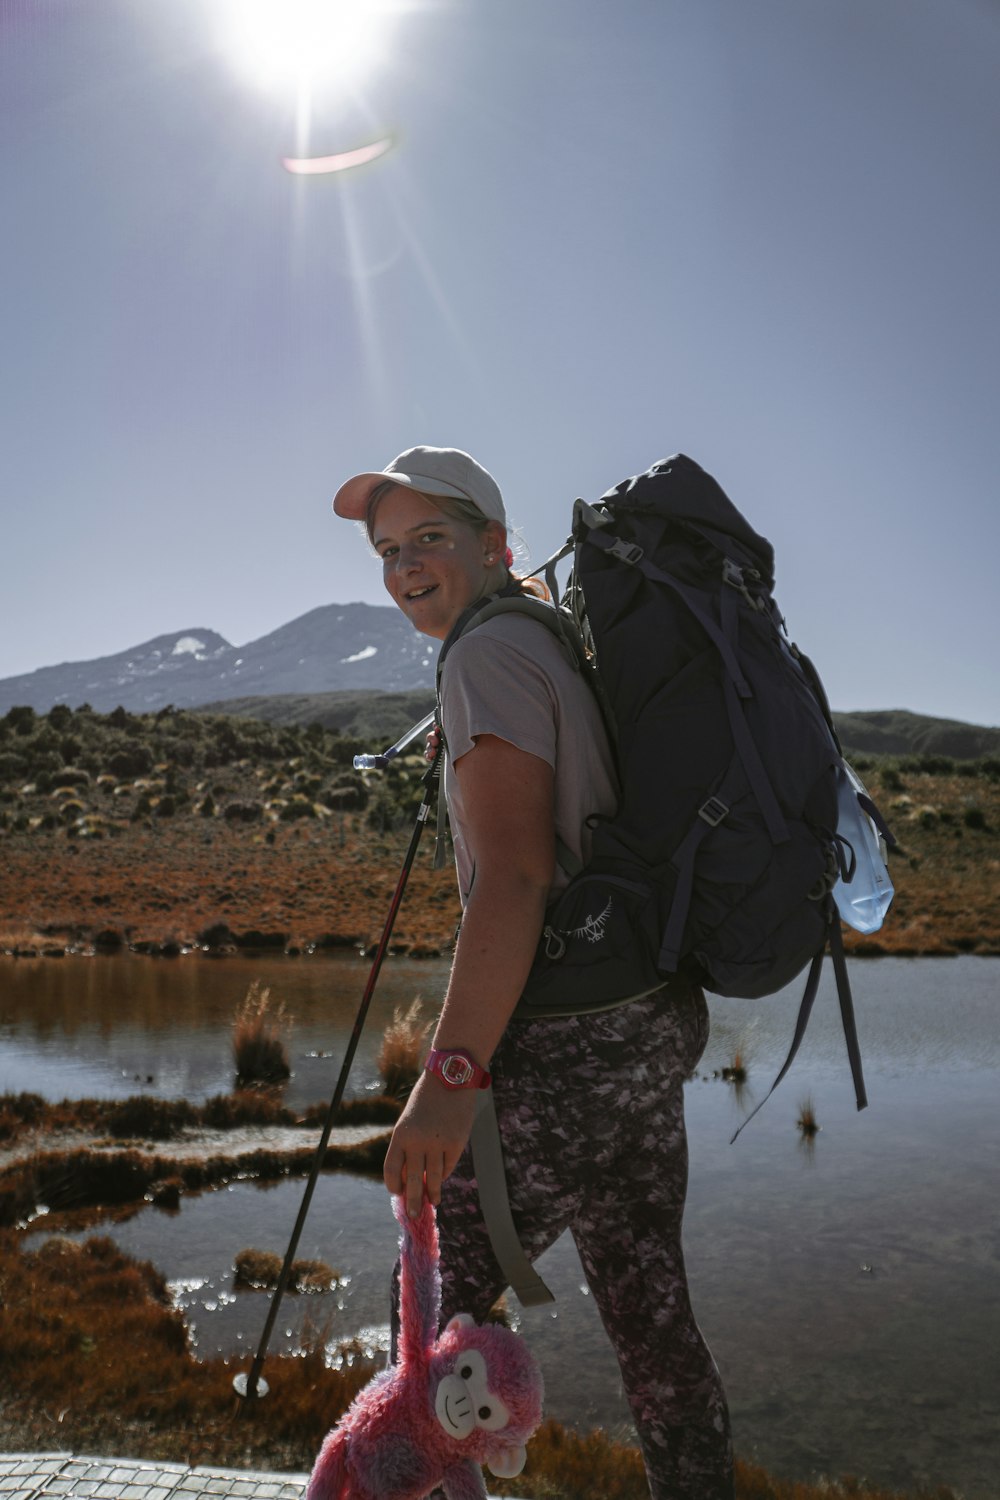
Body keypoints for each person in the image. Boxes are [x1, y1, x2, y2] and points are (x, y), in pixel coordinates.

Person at [332, 445, 733, 1500]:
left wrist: (446, 1080)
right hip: (638, 1033)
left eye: (430, 538)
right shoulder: (550, 638)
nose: (406, 566)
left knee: (432, 1314)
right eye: (387, 550)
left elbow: (512, 877)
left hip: (558, 1048)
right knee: (652, 1322)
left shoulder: (485, 658)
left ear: (495, 545)